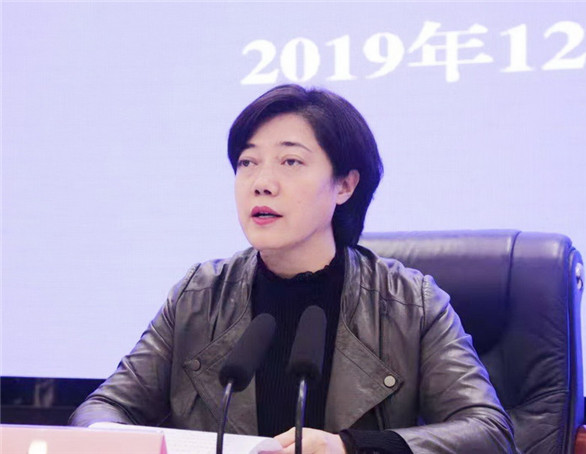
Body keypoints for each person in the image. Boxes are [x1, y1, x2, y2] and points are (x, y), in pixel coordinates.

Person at [70, 85, 517, 453]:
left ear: (344, 185)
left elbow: (489, 433)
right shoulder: (199, 295)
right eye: (247, 162)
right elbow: (102, 410)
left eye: (290, 161)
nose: (261, 182)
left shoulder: (409, 303)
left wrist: (350, 448)